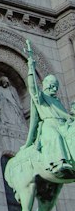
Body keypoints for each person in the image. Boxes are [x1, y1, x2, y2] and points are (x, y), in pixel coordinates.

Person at [25, 40, 75, 175]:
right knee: (56, 136)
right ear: (45, 84)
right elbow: (33, 88)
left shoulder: (57, 101)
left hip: (62, 124)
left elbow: (65, 116)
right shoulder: (40, 97)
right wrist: (31, 69)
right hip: (49, 124)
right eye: (51, 85)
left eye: (56, 86)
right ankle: (59, 163)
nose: (54, 88)